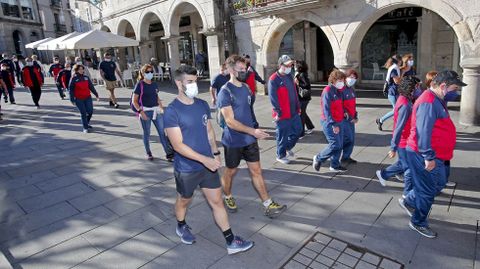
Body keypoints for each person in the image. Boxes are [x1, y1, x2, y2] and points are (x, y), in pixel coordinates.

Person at [164, 65, 254, 254]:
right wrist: (205, 160)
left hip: (208, 166)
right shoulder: (172, 111)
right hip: (187, 168)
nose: (194, 85)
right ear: (179, 83)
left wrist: (215, 153)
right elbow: (177, 145)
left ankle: (230, 241)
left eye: (195, 81)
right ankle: (181, 224)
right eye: (190, 82)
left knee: (217, 202)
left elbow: (208, 130)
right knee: (183, 201)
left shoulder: (202, 105)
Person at [398, 70, 465, 239]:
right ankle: (418, 222)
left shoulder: (437, 98)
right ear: (443, 86)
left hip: (437, 154)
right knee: (427, 192)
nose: (456, 92)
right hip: (424, 155)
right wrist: (428, 157)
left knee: (439, 183)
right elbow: (423, 133)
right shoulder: (428, 101)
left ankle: (409, 200)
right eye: (454, 88)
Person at [218, 55, 287, 217]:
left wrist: (254, 129)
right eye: (240, 69)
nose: (244, 72)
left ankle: (268, 204)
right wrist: (253, 131)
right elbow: (230, 121)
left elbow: (248, 112)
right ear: (230, 70)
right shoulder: (225, 92)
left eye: (245, 69)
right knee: (230, 171)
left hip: (249, 139)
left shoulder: (246, 89)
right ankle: (227, 195)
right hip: (233, 141)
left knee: (256, 171)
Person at [375, 76, 418, 198]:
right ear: (410, 89)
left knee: (403, 164)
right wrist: (393, 147)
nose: (418, 89)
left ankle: (383, 174)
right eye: (416, 87)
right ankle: (407, 194)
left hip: (405, 139)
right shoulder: (405, 104)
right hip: (404, 141)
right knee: (408, 167)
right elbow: (399, 127)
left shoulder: (404, 99)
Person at [132, 64, 174, 161]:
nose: (150, 73)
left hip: (156, 111)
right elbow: (134, 101)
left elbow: (156, 97)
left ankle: (169, 153)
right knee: (147, 133)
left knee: (162, 133)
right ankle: (148, 152)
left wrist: (162, 108)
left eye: (151, 72)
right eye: (147, 72)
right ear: (143, 73)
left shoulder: (154, 84)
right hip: (145, 112)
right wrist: (141, 112)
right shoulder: (140, 84)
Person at [268, 55, 303, 164]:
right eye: (287, 65)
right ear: (280, 65)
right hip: (282, 114)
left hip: (294, 111)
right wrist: (278, 112)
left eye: (291, 65)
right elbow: (273, 98)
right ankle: (280, 155)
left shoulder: (289, 76)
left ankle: (287, 147)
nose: (290, 67)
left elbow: (294, 93)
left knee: (298, 131)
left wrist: (298, 106)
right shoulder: (274, 79)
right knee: (282, 135)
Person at [313, 70, 348, 172]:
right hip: (329, 122)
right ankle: (319, 158)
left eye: (343, 80)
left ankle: (335, 164)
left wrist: (344, 112)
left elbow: (340, 105)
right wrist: (333, 124)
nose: (342, 82)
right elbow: (326, 110)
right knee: (335, 144)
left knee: (340, 144)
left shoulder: (339, 91)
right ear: (333, 80)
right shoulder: (327, 91)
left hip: (339, 120)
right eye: (340, 80)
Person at [69, 64, 100, 133]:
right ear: (76, 70)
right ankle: (85, 127)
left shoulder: (86, 77)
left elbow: (91, 86)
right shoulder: (73, 79)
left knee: (90, 111)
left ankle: (87, 123)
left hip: (87, 97)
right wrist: (72, 99)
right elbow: (70, 90)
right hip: (79, 99)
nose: (82, 70)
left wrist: (96, 94)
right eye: (80, 69)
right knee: (83, 113)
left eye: (82, 69)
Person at [376, 55, 401, 130]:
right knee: (396, 110)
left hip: (393, 92)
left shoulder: (394, 67)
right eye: (401, 60)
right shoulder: (394, 69)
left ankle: (395, 124)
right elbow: (396, 81)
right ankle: (380, 120)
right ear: (399, 61)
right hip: (393, 92)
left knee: (397, 110)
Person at [340, 69, 359, 164]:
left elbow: (353, 105)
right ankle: (341, 157)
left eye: (354, 78)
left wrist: (355, 116)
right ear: (346, 77)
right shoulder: (341, 89)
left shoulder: (351, 90)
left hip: (351, 118)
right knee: (348, 138)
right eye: (351, 77)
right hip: (344, 119)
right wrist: (349, 117)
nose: (353, 79)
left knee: (351, 139)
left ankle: (346, 156)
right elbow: (339, 105)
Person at [244, 55, 266, 128]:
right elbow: (242, 79)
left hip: (251, 93)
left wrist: (262, 81)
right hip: (245, 93)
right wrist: (248, 73)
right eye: (246, 60)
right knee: (249, 108)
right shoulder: (242, 70)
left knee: (249, 108)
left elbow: (256, 76)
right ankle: (253, 123)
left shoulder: (251, 68)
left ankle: (254, 123)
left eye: (248, 59)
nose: (248, 61)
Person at [294, 60, 314, 138]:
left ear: (299, 66)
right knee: (303, 113)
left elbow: (307, 85)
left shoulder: (302, 75)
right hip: (302, 97)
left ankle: (301, 133)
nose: (294, 66)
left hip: (303, 98)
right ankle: (310, 127)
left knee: (301, 115)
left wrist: (298, 83)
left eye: (296, 65)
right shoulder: (301, 73)